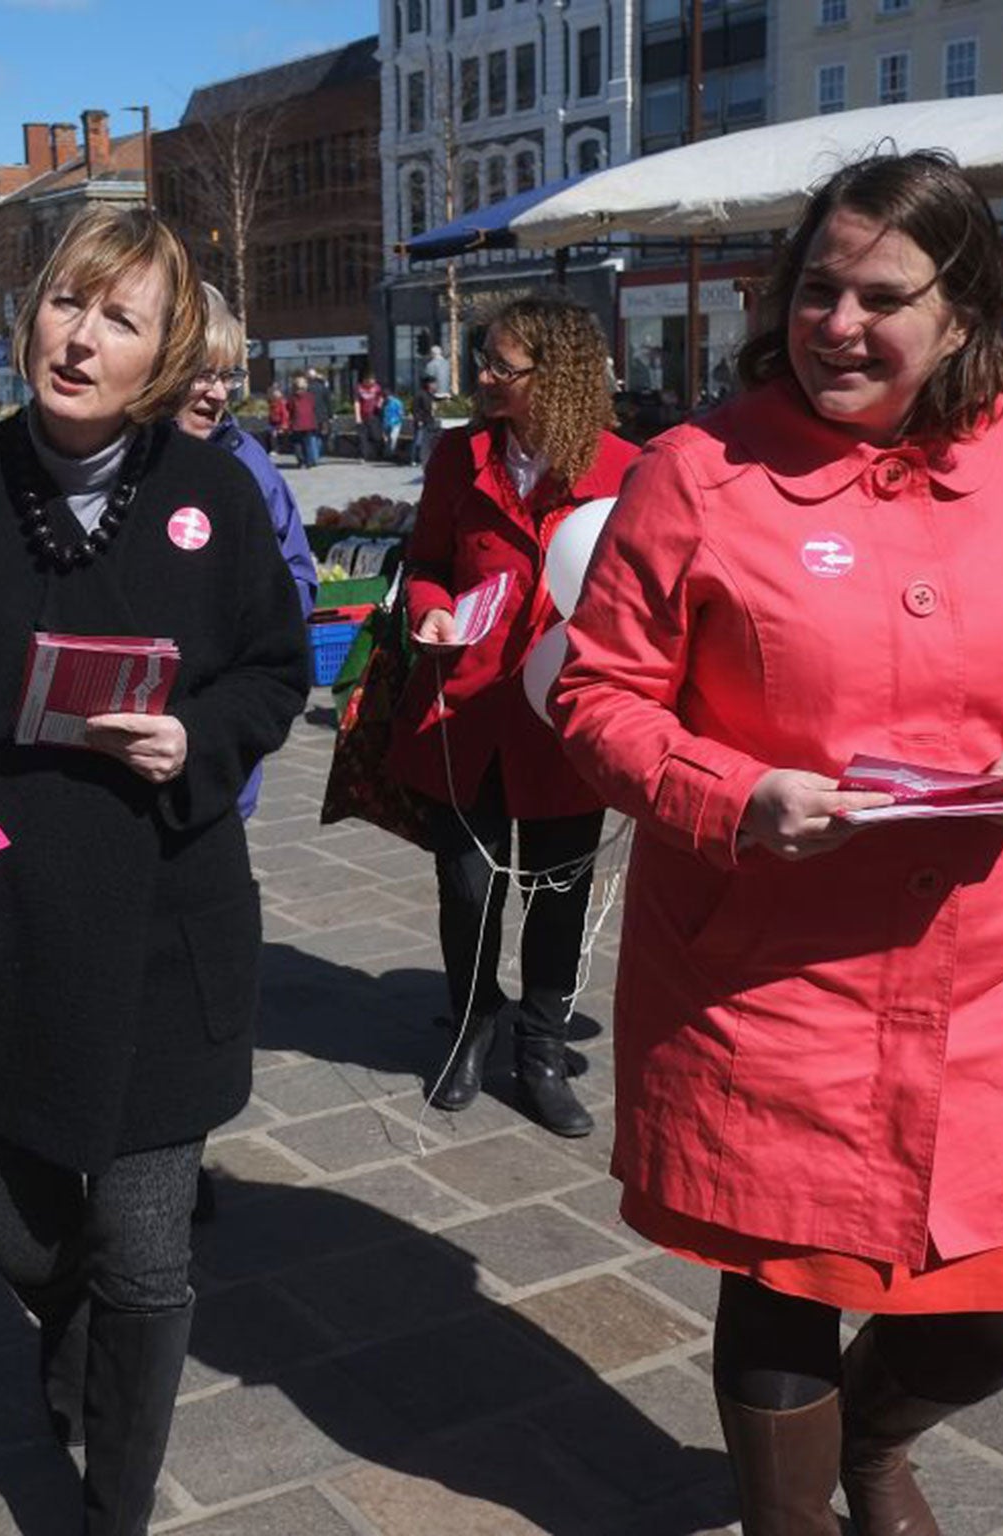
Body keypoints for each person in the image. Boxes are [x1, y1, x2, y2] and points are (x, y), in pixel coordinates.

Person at [549, 151, 1003, 1536]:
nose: (839, 322)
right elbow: (598, 698)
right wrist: (731, 793)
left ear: (962, 315)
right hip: (765, 971)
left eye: (882, 296)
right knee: (779, 1286)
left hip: (988, 967)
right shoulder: (699, 470)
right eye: (818, 287)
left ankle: (876, 1444)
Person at [0, 205, 308, 1535]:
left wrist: (196, 735)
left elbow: (276, 670)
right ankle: (66, 1325)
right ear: (29, 311)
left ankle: (117, 1501)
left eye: (120, 320)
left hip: (165, 920)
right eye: (66, 305)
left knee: (150, 1255)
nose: (82, 340)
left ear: (161, 358)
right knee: (31, 1239)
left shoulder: (215, 492)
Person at [387, 296, 640, 1139]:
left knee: (561, 895)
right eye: (484, 359)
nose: (483, 378)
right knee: (466, 889)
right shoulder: (458, 457)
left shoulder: (625, 471)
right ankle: (469, 1026)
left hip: (567, 718)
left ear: (556, 376)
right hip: (464, 708)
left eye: (502, 366)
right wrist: (428, 608)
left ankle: (538, 1047)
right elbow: (424, 560)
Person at [174, 282, 319, 820]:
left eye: (228, 376)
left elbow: (298, 573)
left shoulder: (249, 463)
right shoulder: (119, 459)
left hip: (221, 732)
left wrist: (257, 631)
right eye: (201, 374)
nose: (216, 393)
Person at [288, 374, 322, 470]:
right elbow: (314, 408)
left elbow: (290, 409)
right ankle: (308, 461)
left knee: (297, 443)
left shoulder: (292, 398)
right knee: (307, 443)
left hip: (296, 423)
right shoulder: (310, 396)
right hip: (309, 423)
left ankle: (301, 461)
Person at [355, 372, 385, 461]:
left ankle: (377, 453)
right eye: (370, 381)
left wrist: (380, 403)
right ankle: (363, 456)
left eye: (373, 381)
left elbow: (381, 396)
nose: (372, 383)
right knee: (362, 437)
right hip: (363, 416)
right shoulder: (359, 388)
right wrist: (357, 416)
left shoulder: (377, 387)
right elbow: (357, 402)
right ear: (365, 380)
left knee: (376, 436)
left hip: (374, 415)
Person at [411, 376, 441, 466]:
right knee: (418, 441)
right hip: (422, 422)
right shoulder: (420, 394)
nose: (435, 385)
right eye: (433, 383)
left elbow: (435, 400)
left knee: (428, 441)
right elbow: (415, 409)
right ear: (428, 384)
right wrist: (418, 420)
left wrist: (446, 398)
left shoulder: (430, 394)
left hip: (430, 421)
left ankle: (425, 458)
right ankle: (414, 459)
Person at [265, 383, 290, 460]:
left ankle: (277, 449)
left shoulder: (281, 402)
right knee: (273, 436)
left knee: (275, 436)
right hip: (273, 422)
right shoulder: (271, 402)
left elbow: (284, 414)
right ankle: (276, 449)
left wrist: (283, 425)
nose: (275, 394)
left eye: (277, 393)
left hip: (280, 422)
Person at [381, 389, 406, 462]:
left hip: (395, 423)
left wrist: (400, 419)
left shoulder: (397, 402)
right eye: (385, 397)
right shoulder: (384, 403)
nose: (386, 398)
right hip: (386, 423)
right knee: (387, 440)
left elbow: (401, 413)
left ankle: (392, 454)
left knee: (392, 438)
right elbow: (383, 413)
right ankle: (388, 454)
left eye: (387, 396)